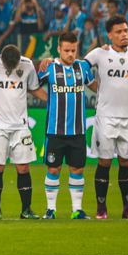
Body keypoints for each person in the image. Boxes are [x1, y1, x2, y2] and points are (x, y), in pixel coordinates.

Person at [83, 15, 128, 219]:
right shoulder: (100, 53)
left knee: (126, 163)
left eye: (126, 30)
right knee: (104, 162)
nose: (124, 34)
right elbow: (80, 66)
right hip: (105, 118)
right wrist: (93, 85)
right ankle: (101, 208)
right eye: (119, 32)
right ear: (110, 35)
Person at [0, 45, 47, 220]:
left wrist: (54, 101)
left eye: (14, 65)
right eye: (8, 65)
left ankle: (26, 210)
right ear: (1, 59)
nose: (11, 68)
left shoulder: (27, 64)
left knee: (23, 168)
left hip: (20, 126)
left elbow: (34, 87)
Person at [38, 32, 95, 220]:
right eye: (67, 50)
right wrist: (49, 99)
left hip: (78, 131)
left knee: (77, 169)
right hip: (55, 131)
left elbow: (95, 86)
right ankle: (50, 210)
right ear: (59, 49)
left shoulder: (83, 67)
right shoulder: (49, 68)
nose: (70, 54)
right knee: (53, 169)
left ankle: (77, 210)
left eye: (73, 50)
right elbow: (32, 85)